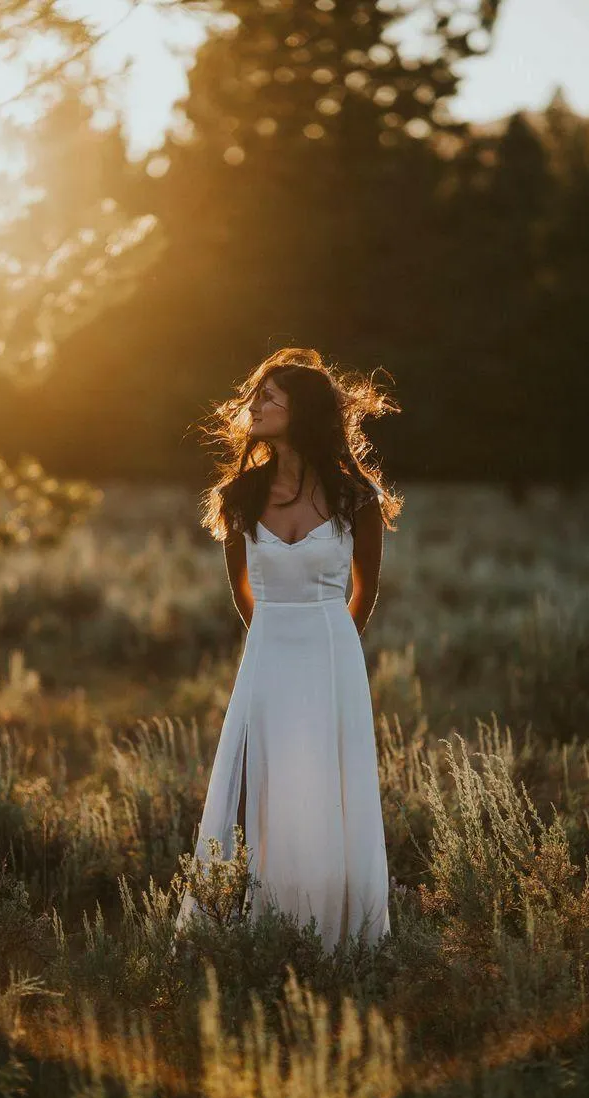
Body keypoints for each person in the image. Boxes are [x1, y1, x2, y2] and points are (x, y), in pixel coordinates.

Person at [174, 347, 403, 954]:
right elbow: (244, 593)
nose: (255, 406)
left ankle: (338, 938)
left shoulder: (357, 496)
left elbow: (366, 587)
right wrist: (278, 639)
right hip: (269, 652)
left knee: (328, 785)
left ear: (302, 412)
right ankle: (257, 929)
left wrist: (330, 644)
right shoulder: (240, 496)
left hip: (333, 654)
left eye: (269, 397)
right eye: (257, 396)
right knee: (264, 784)